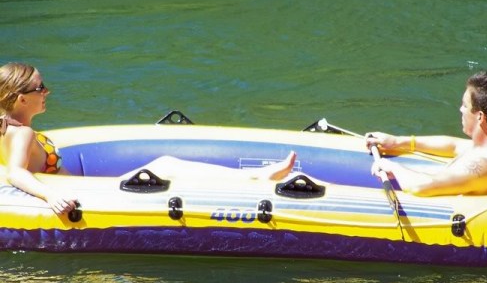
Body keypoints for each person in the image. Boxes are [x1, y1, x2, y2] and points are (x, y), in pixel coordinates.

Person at [0, 63, 296, 216]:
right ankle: (255, 177)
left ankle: (255, 177)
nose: (47, 91)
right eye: (41, 87)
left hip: (86, 189)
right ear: (22, 99)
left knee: (167, 168)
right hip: (92, 197)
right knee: (167, 165)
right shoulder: (23, 133)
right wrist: (51, 196)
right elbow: (15, 173)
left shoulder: (5, 128)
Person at [366, 71, 487, 197]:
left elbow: (421, 187)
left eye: (465, 105)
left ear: (480, 116)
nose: (461, 109)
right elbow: (453, 145)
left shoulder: (486, 166)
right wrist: (397, 141)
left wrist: (392, 167)